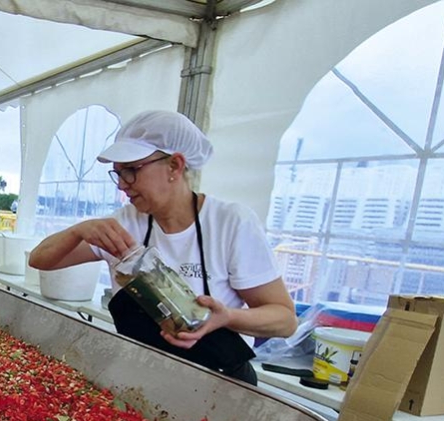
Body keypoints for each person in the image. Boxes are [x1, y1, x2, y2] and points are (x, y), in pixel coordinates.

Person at [29, 110, 296, 384]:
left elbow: (285, 320)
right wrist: (77, 231)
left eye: (132, 171)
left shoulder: (230, 223)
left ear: (175, 166)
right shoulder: (123, 225)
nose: (123, 185)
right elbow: (40, 259)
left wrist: (226, 317)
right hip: (143, 377)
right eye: (118, 174)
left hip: (218, 383)